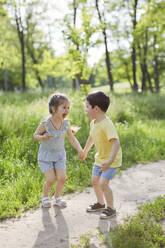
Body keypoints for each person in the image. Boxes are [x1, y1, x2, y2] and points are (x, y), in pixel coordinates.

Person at [34, 93, 83, 208]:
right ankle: (45, 197)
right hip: (46, 156)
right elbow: (35, 135)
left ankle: (57, 198)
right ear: (54, 109)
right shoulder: (46, 123)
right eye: (64, 107)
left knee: (62, 178)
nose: (67, 110)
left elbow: (72, 138)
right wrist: (42, 137)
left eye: (68, 107)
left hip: (60, 155)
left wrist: (80, 149)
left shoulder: (65, 123)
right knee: (50, 180)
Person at [79, 91, 122, 219]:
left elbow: (116, 144)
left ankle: (111, 208)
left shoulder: (107, 125)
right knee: (95, 181)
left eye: (87, 107)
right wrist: (85, 150)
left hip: (111, 160)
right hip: (100, 158)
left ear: (96, 108)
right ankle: (100, 203)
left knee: (103, 183)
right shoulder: (94, 122)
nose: (86, 110)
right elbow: (91, 137)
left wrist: (109, 161)